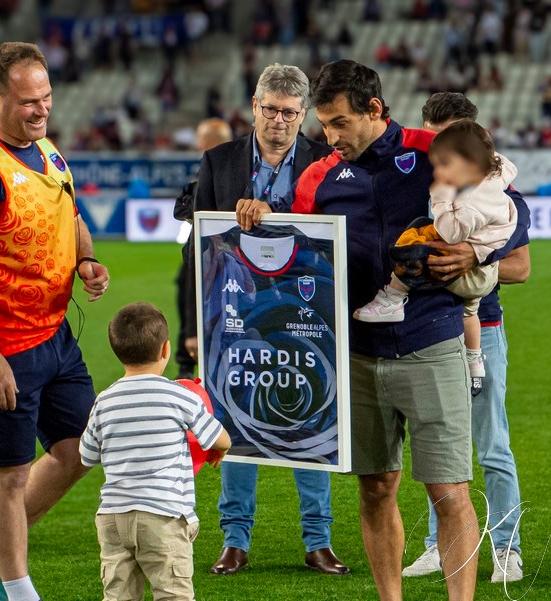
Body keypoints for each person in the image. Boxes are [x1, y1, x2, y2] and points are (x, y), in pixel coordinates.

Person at [237, 60, 480, 600]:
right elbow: (292, 240)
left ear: (375, 110)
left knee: (449, 491)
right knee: (375, 489)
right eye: (323, 124)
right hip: (356, 353)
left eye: (340, 122)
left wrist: (473, 250)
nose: (330, 136)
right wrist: (258, 215)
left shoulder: (431, 148)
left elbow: (512, 206)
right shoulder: (319, 175)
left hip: (430, 342)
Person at [0, 42, 109, 601]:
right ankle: (16, 589)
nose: (41, 111)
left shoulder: (47, 151)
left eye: (47, 99)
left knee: (82, 446)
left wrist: (84, 258)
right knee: (7, 475)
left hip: (54, 336)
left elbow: (70, 214)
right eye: (28, 102)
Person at [192, 63, 349, 576]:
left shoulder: (326, 161)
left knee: (312, 422)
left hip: (309, 311)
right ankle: (234, 540)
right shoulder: (218, 161)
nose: (279, 120)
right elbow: (196, 239)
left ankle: (317, 540)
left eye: (289, 112)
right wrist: (194, 322)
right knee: (237, 421)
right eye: (270, 110)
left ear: (303, 114)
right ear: (254, 106)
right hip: (235, 311)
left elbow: (337, 234)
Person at [402, 92, 529, 584]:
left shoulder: (499, 196)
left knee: (491, 442)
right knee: (437, 446)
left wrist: (474, 257)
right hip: (426, 328)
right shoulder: (426, 182)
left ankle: (507, 547)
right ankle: (438, 545)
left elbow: (522, 267)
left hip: (483, 327)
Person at [353, 120, 518, 398]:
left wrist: (440, 195)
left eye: (444, 165)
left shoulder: (475, 199)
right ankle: (474, 360)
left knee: (416, 235)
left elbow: (451, 232)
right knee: (470, 312)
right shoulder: (494, 176)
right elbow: (504, 163)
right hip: (485, 271)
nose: (438, 172)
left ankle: (393, 296)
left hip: (469, 273)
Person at [80, 302, 232, 600]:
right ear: (165, 349)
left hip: (113, 517)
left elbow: (86, 456)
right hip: (163, 516)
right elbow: (221, 439)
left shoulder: (104, 400)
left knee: (118, 595)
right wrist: (218, 448)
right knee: (172, 592)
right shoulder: (179, 395)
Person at [173, 118, 233, 379]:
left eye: (200, 139)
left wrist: (191, 331)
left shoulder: (216, 176)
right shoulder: (235, 173)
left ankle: (188, 362)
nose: (196, 144)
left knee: (189, 281)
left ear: (208, 143)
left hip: (215, 260)